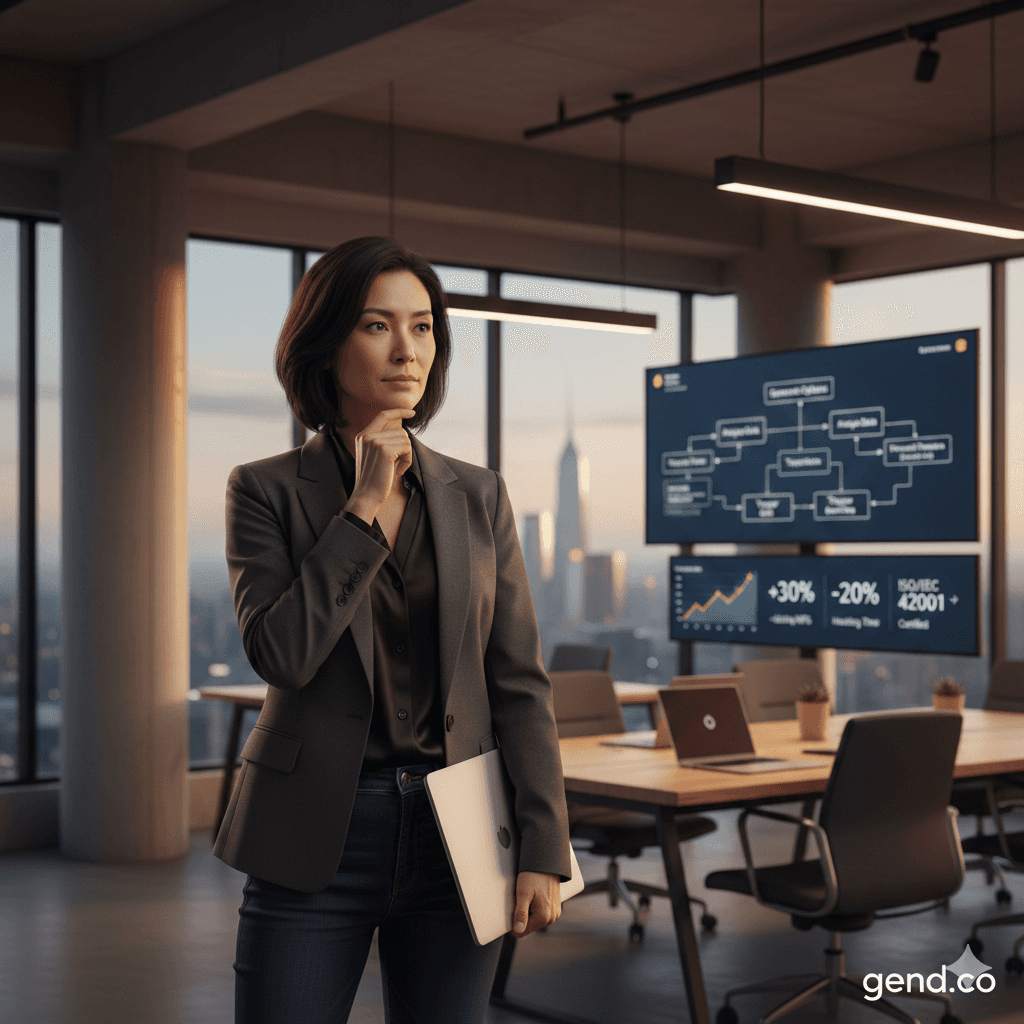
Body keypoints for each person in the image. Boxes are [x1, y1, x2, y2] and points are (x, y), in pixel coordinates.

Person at [213, 236, 572, 1023]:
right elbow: (282, 653)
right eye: (378, 326)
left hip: (463, 831)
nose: (407, 350)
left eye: (424, 326)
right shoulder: (265, 490)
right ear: (326, 340)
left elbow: (517, 680)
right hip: (317, 831)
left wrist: (545, 847)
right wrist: (363, 510)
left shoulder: (478, 495)